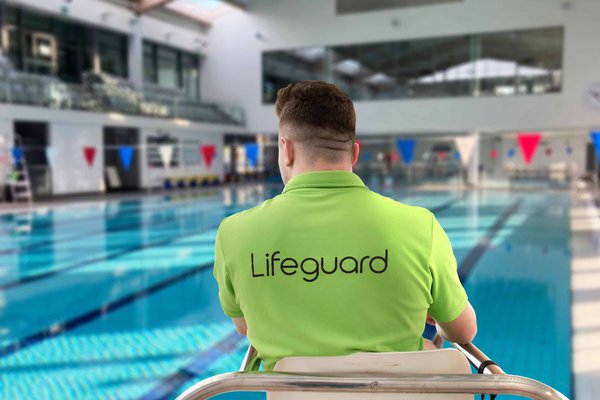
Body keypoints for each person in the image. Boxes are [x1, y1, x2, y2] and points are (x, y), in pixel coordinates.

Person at [213, 80, 477, 370]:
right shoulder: (420, 226)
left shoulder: (234, 233)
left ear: (285, 150)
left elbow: (244, 326)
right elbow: (463, 331)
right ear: (354, 154)